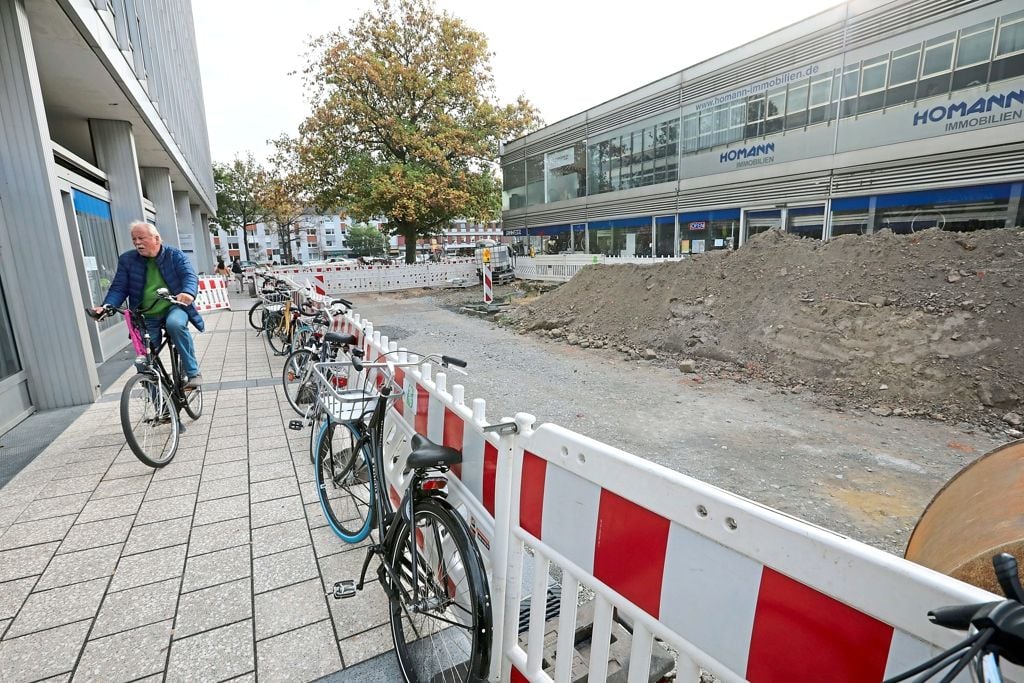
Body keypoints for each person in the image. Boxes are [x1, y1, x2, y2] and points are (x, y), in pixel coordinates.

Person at [94, 221, 205, 388]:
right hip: (145, 313)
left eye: (141, 238)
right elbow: (119, 287)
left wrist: (188, 292)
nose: (137, 243)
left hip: (173, 306)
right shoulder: (127, 260)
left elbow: (189, 276)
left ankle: (192, 372)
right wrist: (107, 306)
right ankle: (164, 408)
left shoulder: (175, 256)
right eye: (134, 239)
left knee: (175, 324)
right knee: (143, 363)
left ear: (156, 238)